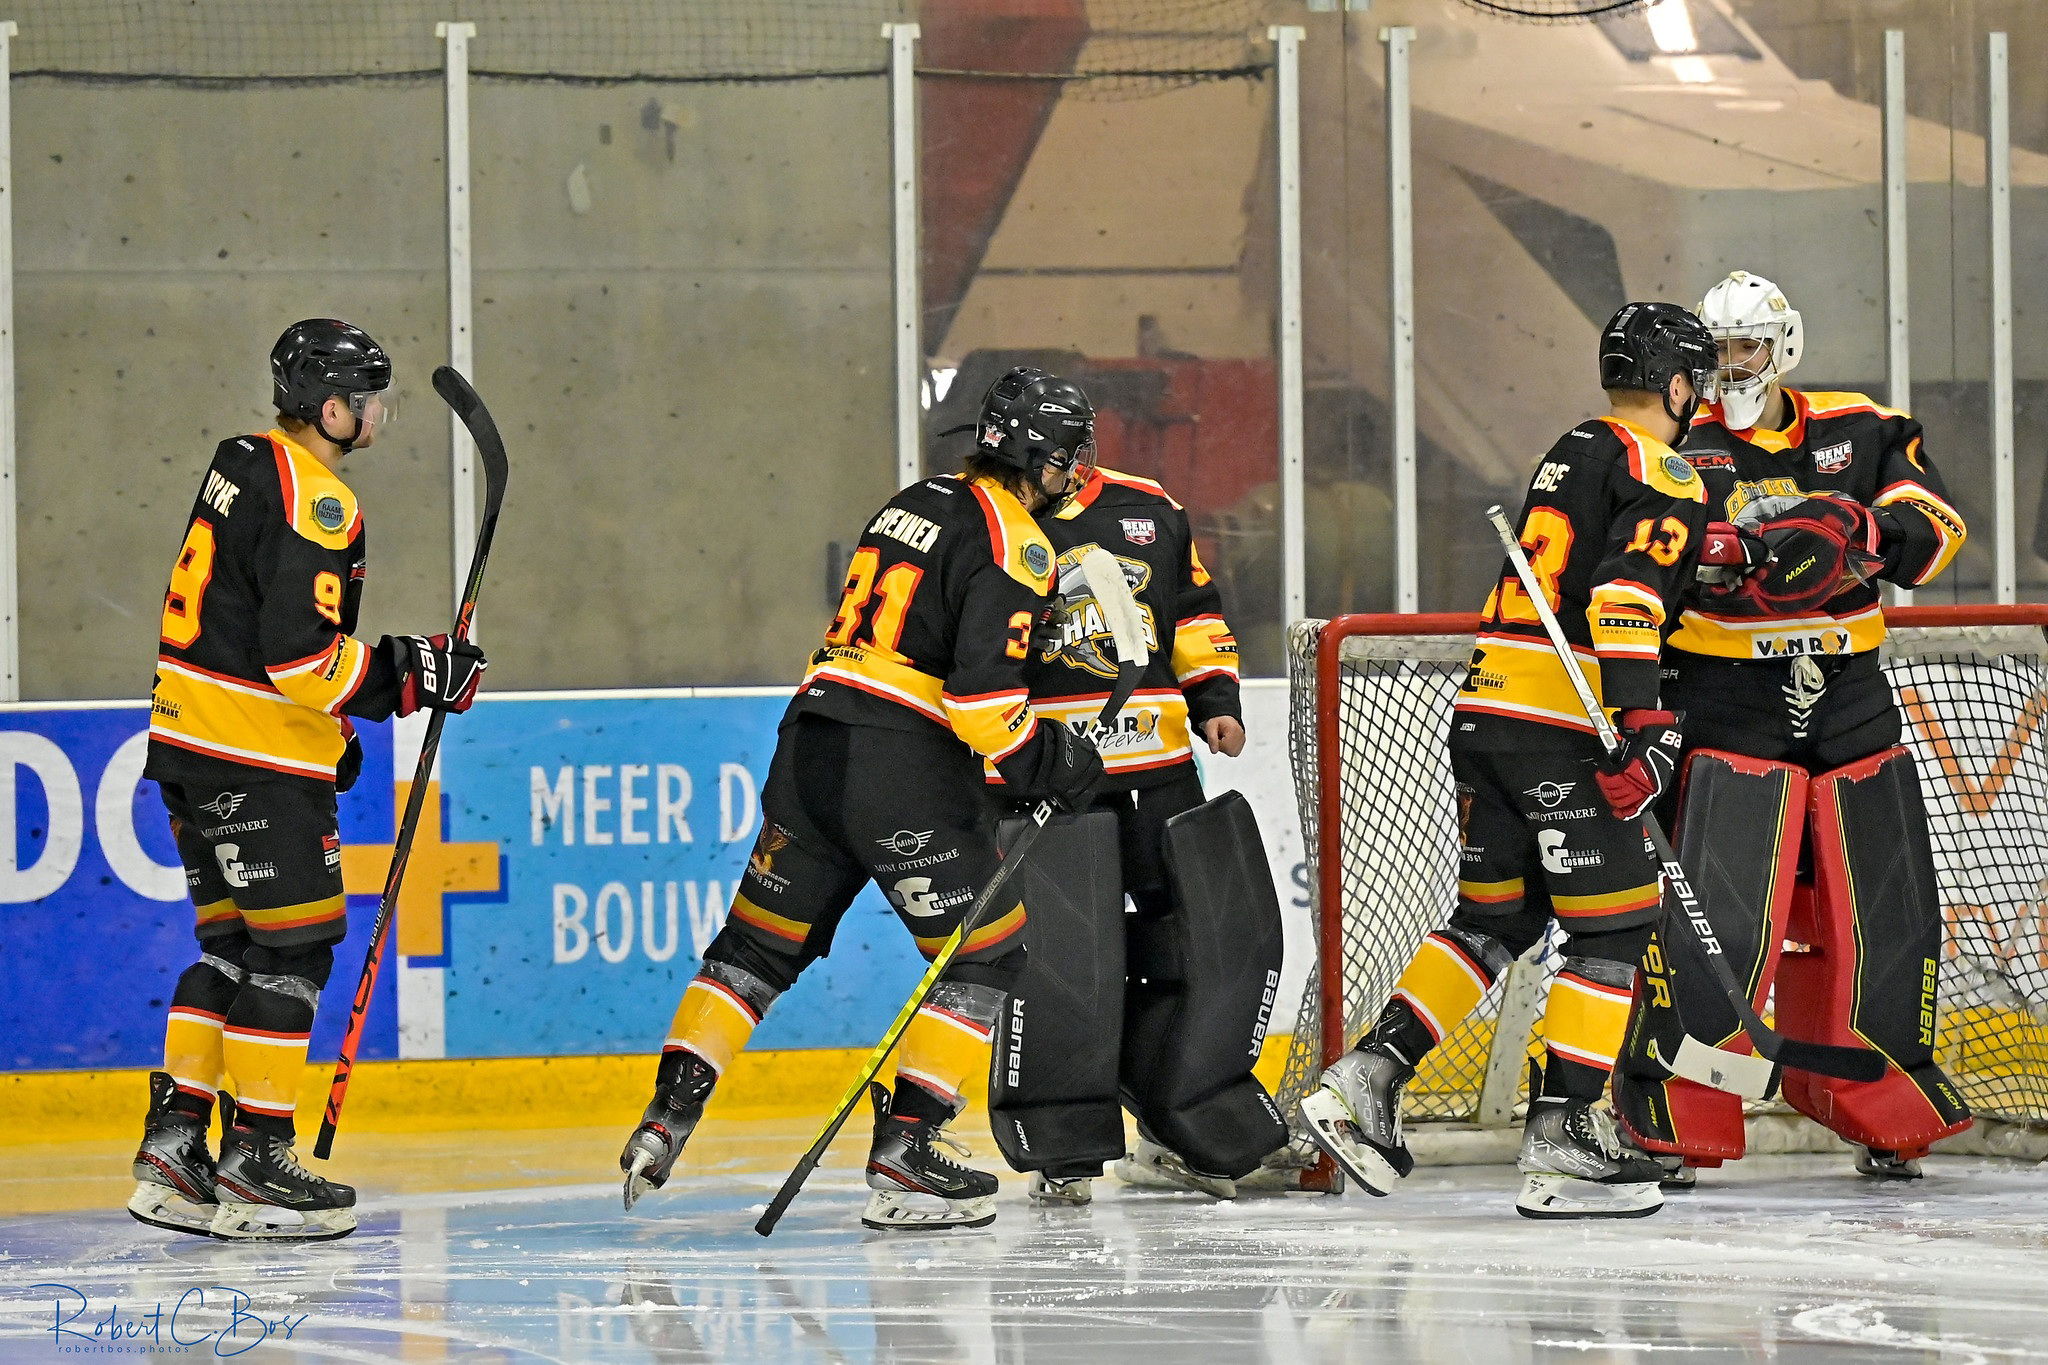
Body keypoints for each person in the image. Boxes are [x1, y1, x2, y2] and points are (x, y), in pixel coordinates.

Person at [618, 366, 1105, 1231]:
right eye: (1068, 457)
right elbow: (984, 707)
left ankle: (667, 1114)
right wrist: (1050, 763)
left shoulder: (912, 500)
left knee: (756, 948)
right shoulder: (1018, 539)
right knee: (987, 953)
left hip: (809, 741)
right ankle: (910, 1145)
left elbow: (923, 630)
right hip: (897, 767)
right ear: (1038, 455)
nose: (1074, 475)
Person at [1298, 302, 1719, 1219]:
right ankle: (1566, 1131)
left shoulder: (1574, 444)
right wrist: (1643, 724)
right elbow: (1622, 598)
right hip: (1563, 728)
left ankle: (1366, 1078)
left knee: (1499, 917)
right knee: (1610, 927)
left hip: (1487, 715)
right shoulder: (1666, 467)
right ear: (1680, 385)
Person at [1611, 271, 1973, 1184]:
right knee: (1719, 910)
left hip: (1848, 690)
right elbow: (1633, 562)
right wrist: (1714, 561)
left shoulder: (1861, 425)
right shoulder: (1674, 443)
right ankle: (1682, 1106)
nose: (1733, 366)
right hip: (1724, 693)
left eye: (1748, 347)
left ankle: (1885, 1094)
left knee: (1882, 903)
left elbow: (1937, 525)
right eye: (1718, 351)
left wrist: (1857, 531)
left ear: (1785, 345)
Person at [130, 319, 488, 1241]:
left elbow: (242, 628)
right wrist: (406, 676)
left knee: (230, 952)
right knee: (290, 955)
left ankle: (175, 1148)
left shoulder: (239, 458)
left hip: (186, 743)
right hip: (253, 760)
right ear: (333, 410)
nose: (377, 414)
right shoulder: (320, 498)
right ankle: (257, 1157)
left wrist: (328, 734)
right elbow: (300, 658)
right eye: (368, 400)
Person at [1001, 444, 1273, 1204]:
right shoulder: (990, 514)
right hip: (1052, 778)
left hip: (1158, 770)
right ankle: (1066, 1144)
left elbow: (1193, 610)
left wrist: (1216, 698)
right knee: (1064, 957)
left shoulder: (1147, 505)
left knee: (1197, 943)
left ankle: (1177, 1124)